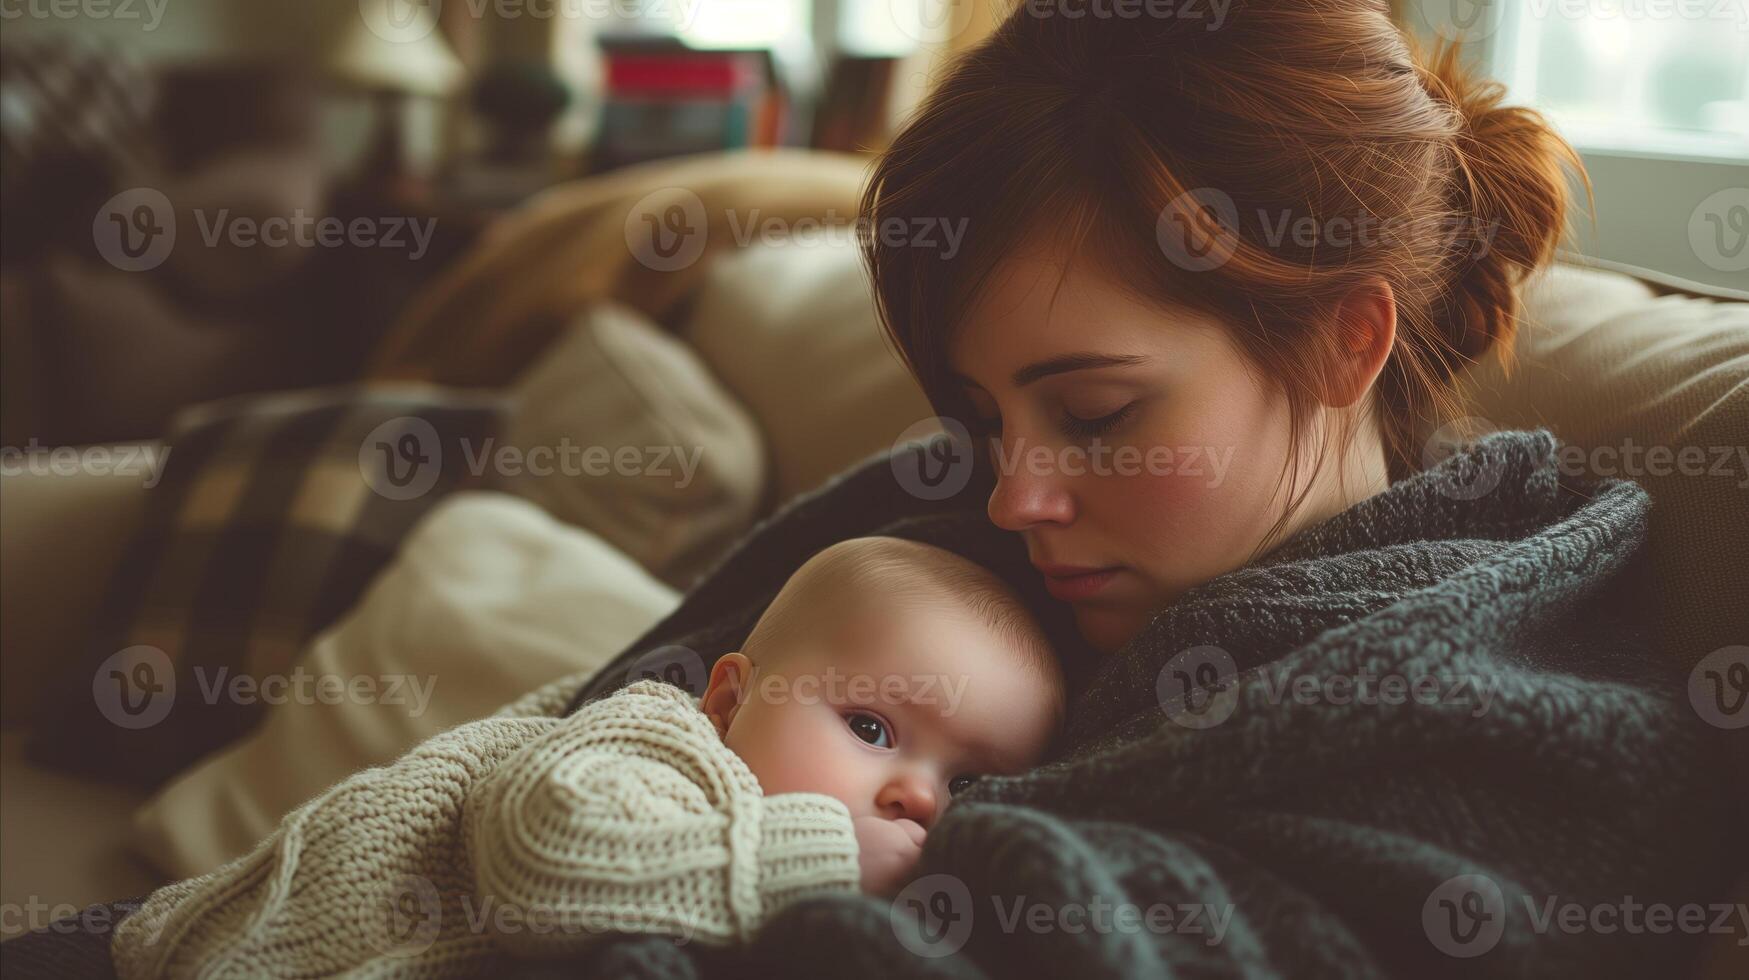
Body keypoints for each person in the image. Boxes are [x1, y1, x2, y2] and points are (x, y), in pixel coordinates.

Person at [109, 537, 1064, 977]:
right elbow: (549, 858)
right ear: (730, 697)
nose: (915, 796)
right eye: (869, 727)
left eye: (966, 782)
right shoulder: (660, 742)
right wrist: (814, 850)